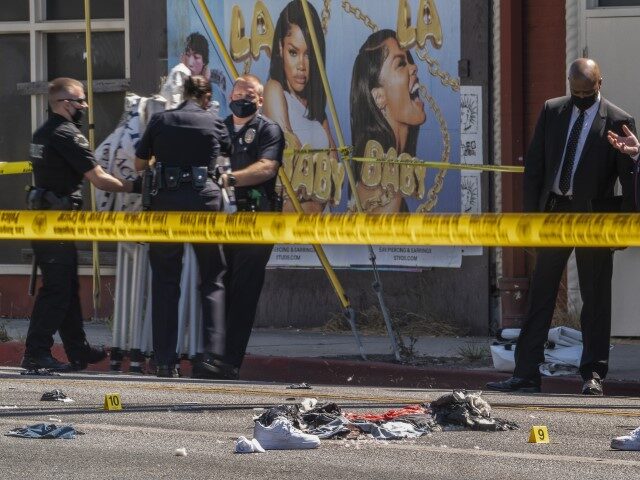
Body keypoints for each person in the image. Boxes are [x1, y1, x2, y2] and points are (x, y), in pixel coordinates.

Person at [486, 58, 637, 396]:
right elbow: (536, 166)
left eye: (587, 91)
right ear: (568, 85)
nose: (581, 97)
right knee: (541, 293)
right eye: (575, 91)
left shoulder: (618, 120)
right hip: (554, 211)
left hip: (593, 219)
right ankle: (526, 374)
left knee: (596, 297)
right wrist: (530, 218)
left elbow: (629, 182)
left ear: (600, 83)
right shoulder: (553, 110)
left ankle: (593, 374)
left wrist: (625, 228)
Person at [23, 77, 139, 372]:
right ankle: (36, 351)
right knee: (57, 289)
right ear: (64, 104)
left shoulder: (42, 132)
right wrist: (134, 187)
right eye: (80, 101)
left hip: (47, 219)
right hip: (57, 222)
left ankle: (78, 349)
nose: (84, 106)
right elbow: (98, 178)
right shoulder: (67, 134)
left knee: (67, 285)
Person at [134, 75, 229, 378]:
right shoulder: (213, 122)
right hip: (205, 202)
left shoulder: (161, 120)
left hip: (167, 203)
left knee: (165, 279)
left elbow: (139, 164)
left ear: (182, 93)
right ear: (206, 97)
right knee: (212, 277)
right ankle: (211, 356)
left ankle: (164, 361)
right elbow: (227, 154)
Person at [213, 74, 284, 378]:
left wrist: (231, 179)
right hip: (220, 221)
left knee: (243, 291)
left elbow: (267, 167)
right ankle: (211, 356)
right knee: (218, 288)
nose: (241, 98)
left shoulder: (268, 130)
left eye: (249, 94)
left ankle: (229, 362)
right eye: (237, 92)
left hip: (256, 220)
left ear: (260, 100)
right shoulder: (219, 128)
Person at [263, 0, 338, 213]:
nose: (302, 66)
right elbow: (291, 170)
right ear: (280, 49)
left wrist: (317, 191)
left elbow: (334, 175)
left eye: (309, 54)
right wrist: (318, 189)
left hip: (322, 231)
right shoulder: (274, 90)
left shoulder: (317, 111)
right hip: (294, 234)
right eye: (293, 52)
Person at [350, 29, 426, 213]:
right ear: (379, 97)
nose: (413, 68)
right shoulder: (379, 185)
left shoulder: (389, 173)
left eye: (409, 60)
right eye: (401, 64)